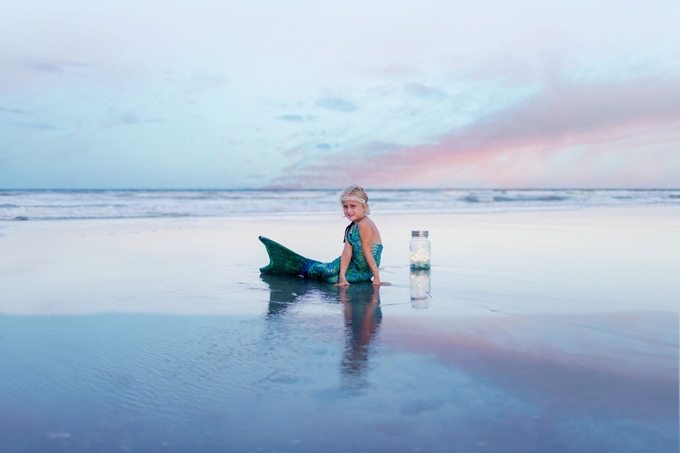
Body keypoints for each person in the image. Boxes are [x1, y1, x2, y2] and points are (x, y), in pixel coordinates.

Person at [259, 185, 387, 286]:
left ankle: (307, 267)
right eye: (345, 207)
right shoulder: (351, 228)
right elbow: (347, 252)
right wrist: (342, 276)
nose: (348, 210)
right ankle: (306, 266)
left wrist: (376, 278)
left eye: (353, 206)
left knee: (331, 280)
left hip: (364, 270)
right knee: (329, 272)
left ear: (364, 206)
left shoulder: (364, 224)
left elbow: (367, 251)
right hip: (351, 263)